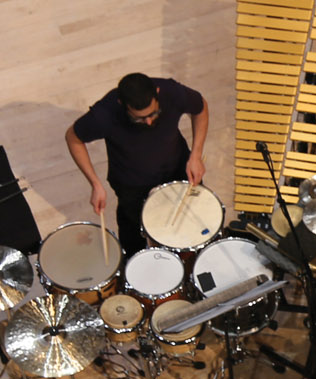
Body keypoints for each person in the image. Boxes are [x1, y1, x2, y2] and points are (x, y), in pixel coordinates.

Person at [65, 72, 209, 252]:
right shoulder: (104, 114)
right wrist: (95, 183)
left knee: (193, 225)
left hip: (178, 169)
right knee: (137, 239)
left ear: (157, 92)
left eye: (153, 113)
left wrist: (195, 155)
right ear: (122, 104)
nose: (148, 122)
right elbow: (73, 138)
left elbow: (200, 107)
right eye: (139, 118)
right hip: (132, 186)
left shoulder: (171, 92)